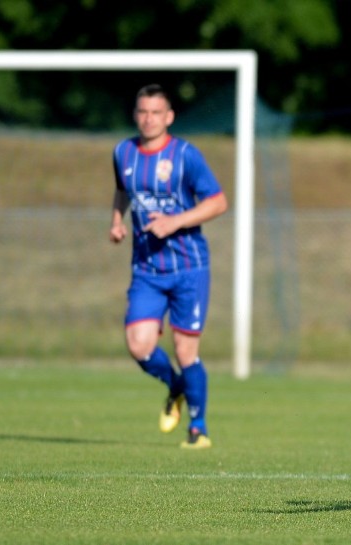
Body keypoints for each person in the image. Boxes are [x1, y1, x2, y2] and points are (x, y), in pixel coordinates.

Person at [109, 84, 228, 449]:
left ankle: (198, 427)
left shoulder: (185, 156)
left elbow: (219, 202)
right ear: (136, 114)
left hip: (189, 268)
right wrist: (116, 220)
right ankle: (176, 386)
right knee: (138, 345)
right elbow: (123, 190)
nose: (148, 119)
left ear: (169, 117)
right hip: (146, 268)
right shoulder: (123, 152)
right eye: (142, 112)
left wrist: (175, 221)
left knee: (185, 351)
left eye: (156, 112)